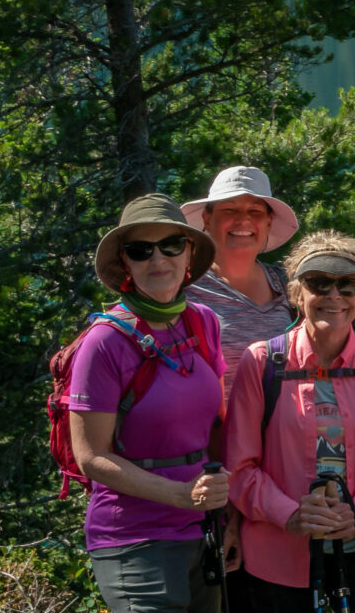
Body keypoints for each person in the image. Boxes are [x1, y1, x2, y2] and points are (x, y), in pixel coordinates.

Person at [63, 195, 233, 613]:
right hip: (134, 539)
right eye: (141, 250)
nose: (159, 259)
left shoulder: (202, 321)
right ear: (126, 264)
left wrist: (228, 517)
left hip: (202, 530)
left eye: (172, 244)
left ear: (189, 252)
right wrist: (179, 496)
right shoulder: (104, 343)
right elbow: (90, 457)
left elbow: (215, 425)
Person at [224, 232, 355, 613]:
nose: (333, 295)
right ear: (297, 293)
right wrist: (290, 514)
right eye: (318, 283)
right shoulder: (263, 362)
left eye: (347, 284)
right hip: (277, 556)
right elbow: (240, 468)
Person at [181, 166, 301, 386]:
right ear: (207, 218)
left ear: (268, 221)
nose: (243, 220)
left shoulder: (286, 283)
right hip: (211, 421)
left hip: (282, 420)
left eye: (255, 211)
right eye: (229, 209)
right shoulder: (183, 287)